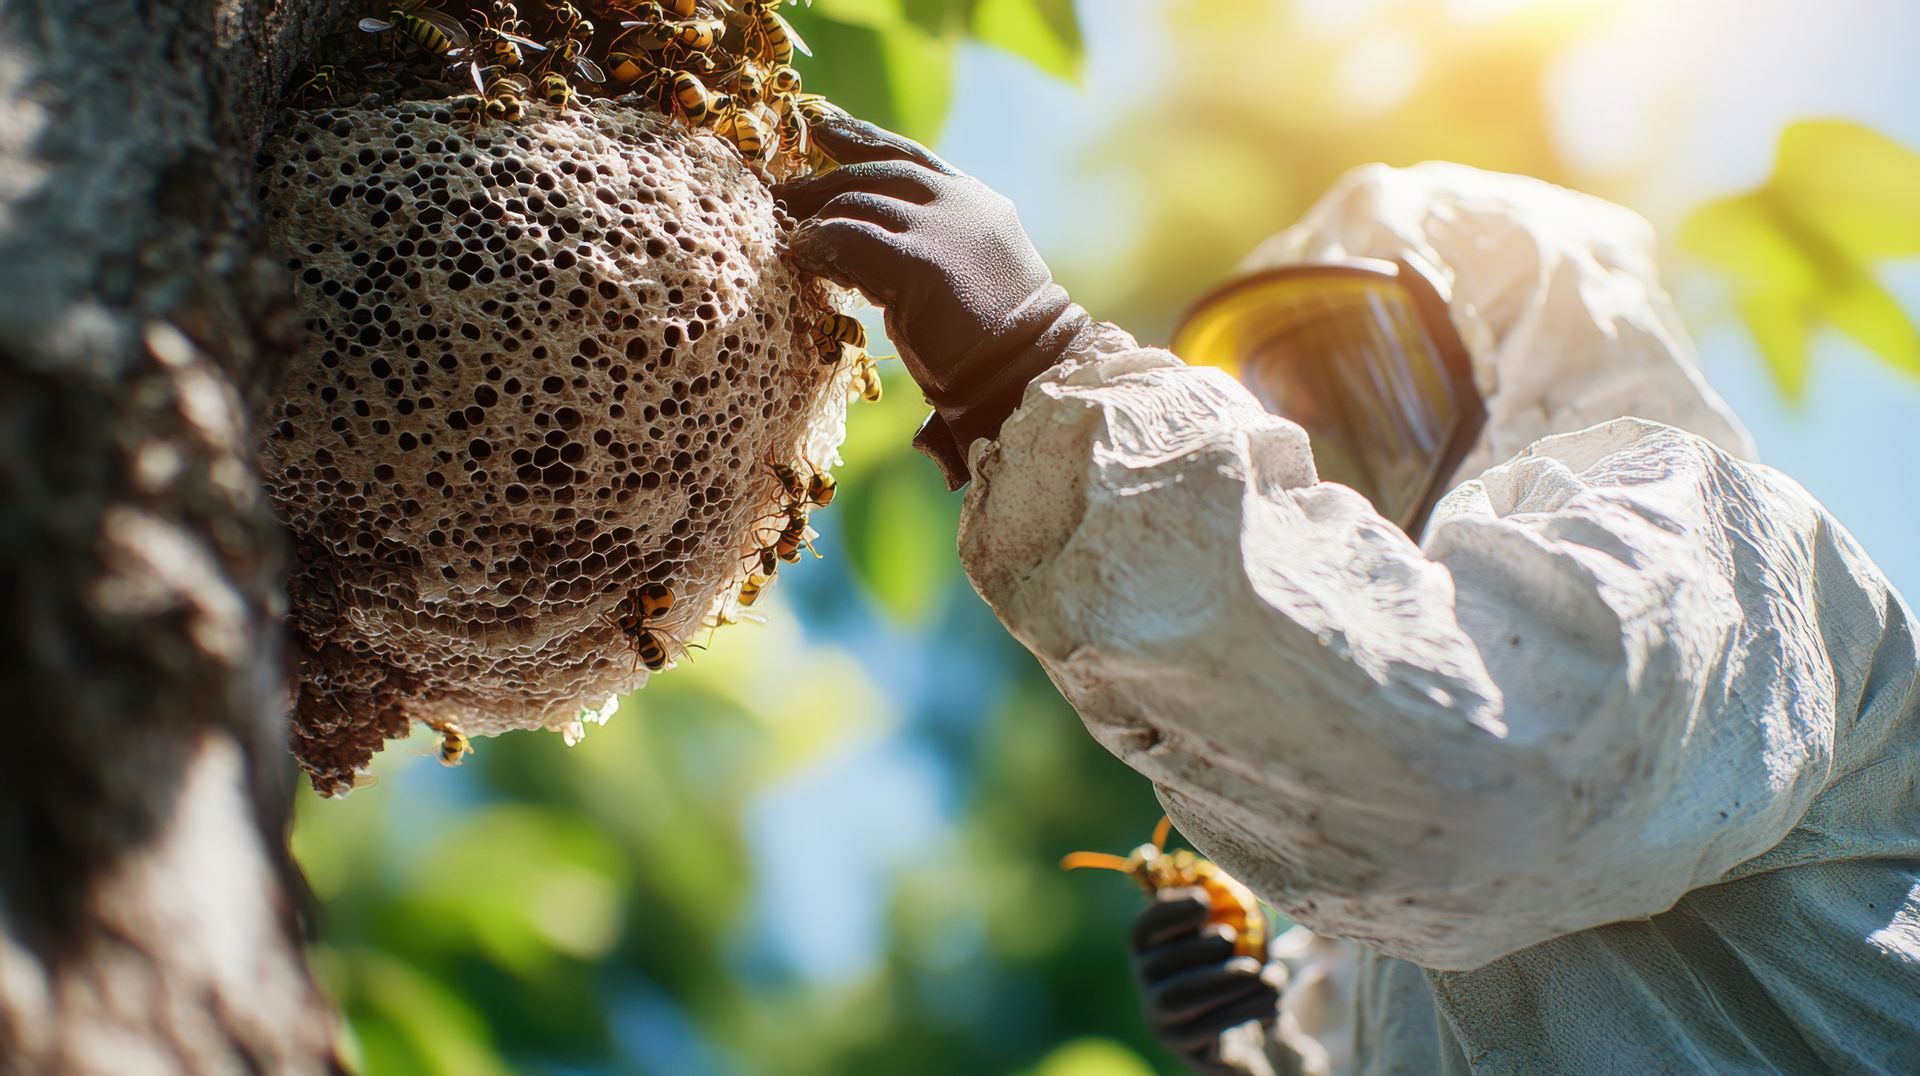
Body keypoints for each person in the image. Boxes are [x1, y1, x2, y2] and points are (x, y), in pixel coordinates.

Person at [774, 111, 1920, 1074]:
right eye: (1282, 421)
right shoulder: (1376, 908)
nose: (1314, 459)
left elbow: (1487, 779)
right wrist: (1269, 1039)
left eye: (1366, 392)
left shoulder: (1732, 555)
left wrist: (1034, 367)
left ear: (1528, 356)